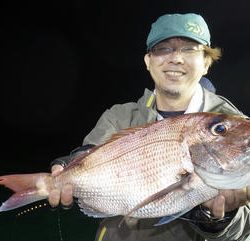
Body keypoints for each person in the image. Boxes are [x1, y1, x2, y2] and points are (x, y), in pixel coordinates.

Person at [49, 13, 250, 241]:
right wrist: (65, 165)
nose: (175, 58)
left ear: (206, 62)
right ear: (148, 61)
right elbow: (90, 156)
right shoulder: (120, 115)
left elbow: (244, 232)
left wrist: (219, 218)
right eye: (163, 48)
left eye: (189, 49)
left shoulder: (237, 127)